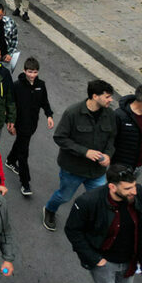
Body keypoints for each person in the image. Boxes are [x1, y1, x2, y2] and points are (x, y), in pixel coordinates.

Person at [42, 80, 117, 231]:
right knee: (64, 196)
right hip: (73, 170)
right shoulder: (73, 113)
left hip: (96, 172)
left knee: (101, 199)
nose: (111, 100)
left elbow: (112, 138)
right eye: (107, 96)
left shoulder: (109, 114)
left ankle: (93, 222)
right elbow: (60, 138)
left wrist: (108, 155)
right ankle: (49, 210)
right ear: (95, 96)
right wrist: (85, 152)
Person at [5, 57, 54, 196]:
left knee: (21, 142)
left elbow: (45, 102)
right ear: (24, 70)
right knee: (23, 153)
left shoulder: (41, 85)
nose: (32, 75)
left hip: (32, 124)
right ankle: (25, 183)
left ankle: (10, 160)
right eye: (30, 72)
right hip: (19, 124)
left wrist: (49, 115)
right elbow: (10, 106)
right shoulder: (16, 86)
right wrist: (10, 123)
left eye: (35, 72)